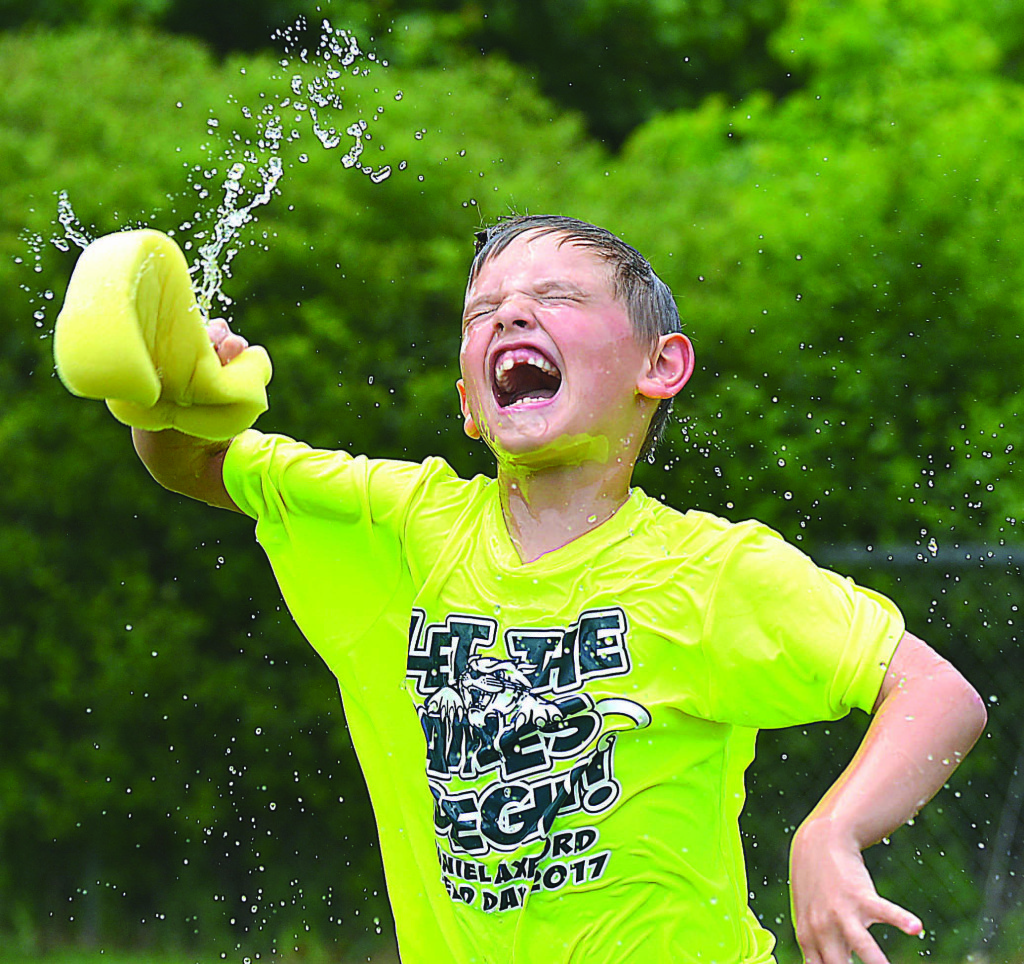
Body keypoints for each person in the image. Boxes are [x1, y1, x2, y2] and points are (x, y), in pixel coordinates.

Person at [96, 215, 984, 963]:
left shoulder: (713, 573)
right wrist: (172, 392)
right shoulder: (401, 525)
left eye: (556, 299)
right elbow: (191, 463)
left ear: (660, 365)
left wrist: (830, 831)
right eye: (483, 312)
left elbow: (937, 693)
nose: (511, 313)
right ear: (469, 404)